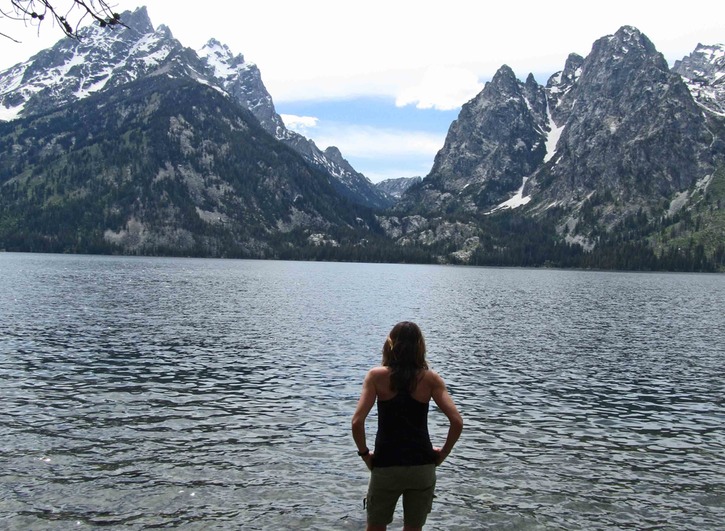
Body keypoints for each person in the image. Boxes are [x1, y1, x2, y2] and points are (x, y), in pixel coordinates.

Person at [351, 321, 463, 531]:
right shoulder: (430, 378)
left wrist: (366, 455)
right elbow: (456, 422)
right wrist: (442, 455)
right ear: (420, 346)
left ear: (390, 344)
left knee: (375, 527)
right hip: (422, 466)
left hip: (386, 464)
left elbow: (357, 422)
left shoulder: (376, 376)